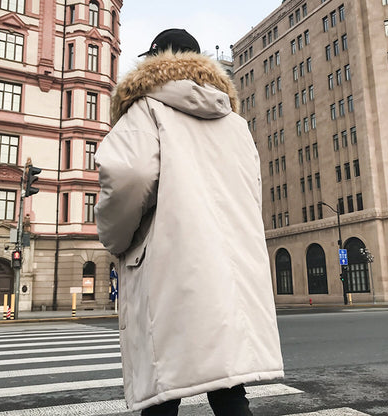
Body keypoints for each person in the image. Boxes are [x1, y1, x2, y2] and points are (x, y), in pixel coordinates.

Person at [95, 28, 283, 416]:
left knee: (163, 390)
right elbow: (252, 191)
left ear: (154, 60)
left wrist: (116, 238)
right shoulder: (235, 123)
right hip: (229, 265)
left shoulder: (146, 109)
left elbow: (129, 175)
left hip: (170, 261)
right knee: (228, 387)